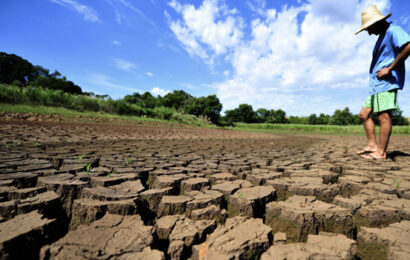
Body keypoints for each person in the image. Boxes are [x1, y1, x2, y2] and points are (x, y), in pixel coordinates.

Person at [355, 5, 410, 159]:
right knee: (364, 114)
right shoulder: (382, 35)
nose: (368, 32)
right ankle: (372, 145)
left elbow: (408, 46)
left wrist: (390, 68)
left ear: (376, 23)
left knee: (383, 116)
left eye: (368, 28)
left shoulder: (393, 30)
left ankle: (381, 152)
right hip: (376, 84)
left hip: (386, 82)